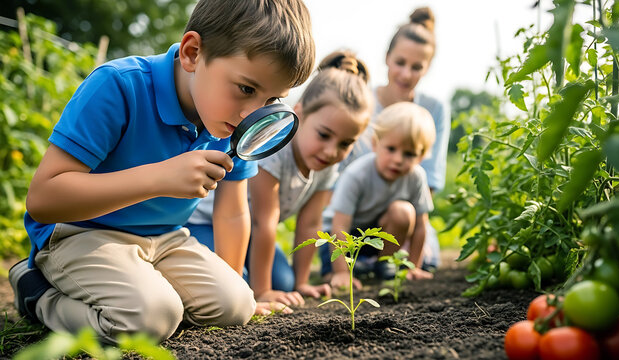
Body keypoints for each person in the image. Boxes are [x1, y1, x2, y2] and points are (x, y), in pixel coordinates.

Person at [8, 0, 315, 344]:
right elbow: (43, 199)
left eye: (271, 100)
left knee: (235, 305)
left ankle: (149, 291)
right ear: (192, 52)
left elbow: (232, 211)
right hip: (79, 233)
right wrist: (159, 177)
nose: (253, 114)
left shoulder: (234, 123)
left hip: (166, 239)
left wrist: (239, 293)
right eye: (246, 89)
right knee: (152, 317)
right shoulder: (120, 87)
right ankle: (39, 296)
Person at [186, 50, 373, 309]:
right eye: (323, 135)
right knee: (241, 283)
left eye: (345, 143)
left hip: (251, 233)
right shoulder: (275, 150)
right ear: (300, 113)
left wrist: (302, 282)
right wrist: (263, 291)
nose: (331, 151)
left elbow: (310, 225)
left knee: (285, 283)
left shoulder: (326, 165)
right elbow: (265, 222)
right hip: (209, 223)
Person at [340, 6, 450, 270]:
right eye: (400, 63)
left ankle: (379, 263)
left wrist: (401, 221)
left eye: (416, 67)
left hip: (405, 211)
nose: (405, 74)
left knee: (426, 261)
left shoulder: (434, 109)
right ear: (387, 58)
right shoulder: (361, 100)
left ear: (427, 68)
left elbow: (429, 180)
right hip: (356, 212)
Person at [322, 102, 436, 289]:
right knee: (335, 276)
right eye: (391, 149)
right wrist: (342, 272)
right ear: (375, 144)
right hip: (341, 237)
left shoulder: (416, 177)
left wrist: (413, 267)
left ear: (421, 156)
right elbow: (339, 225)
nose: (398, 160)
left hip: (377, 236)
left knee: (404, 212)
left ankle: (384, 265)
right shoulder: (357, 174)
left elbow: (420, 226)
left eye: (409, 154)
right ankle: (340, 270)